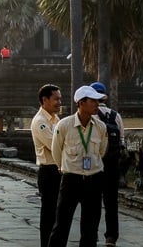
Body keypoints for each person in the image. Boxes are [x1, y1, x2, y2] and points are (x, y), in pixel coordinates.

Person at [48, 85, 108, 247]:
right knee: (62, 224)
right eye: (93, 101)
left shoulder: (101, 127)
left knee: (91, 227)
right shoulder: (65, 125)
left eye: (98, 101)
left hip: (94, 180)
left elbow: (101, 151)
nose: (97, 105)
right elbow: (56, 151)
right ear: (81, 103)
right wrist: (65, 168)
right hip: (71, 179)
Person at [89, 81, 124, 247]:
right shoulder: (115, 115)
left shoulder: (89, 116)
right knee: (111, 202)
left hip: (94, 164)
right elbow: (122, 141)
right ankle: (111, 237)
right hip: (112, 163)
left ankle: (92, 234)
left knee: (92, 202)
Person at [31, 84, 62, 247]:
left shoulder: (55, 119)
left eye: (60, 99)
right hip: (48, 172)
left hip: (58, 170)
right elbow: (55, 145)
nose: (59, 102)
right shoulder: (40, 122)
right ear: (45, 100)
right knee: (49, 215)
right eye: (56, 99)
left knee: (58, 215)